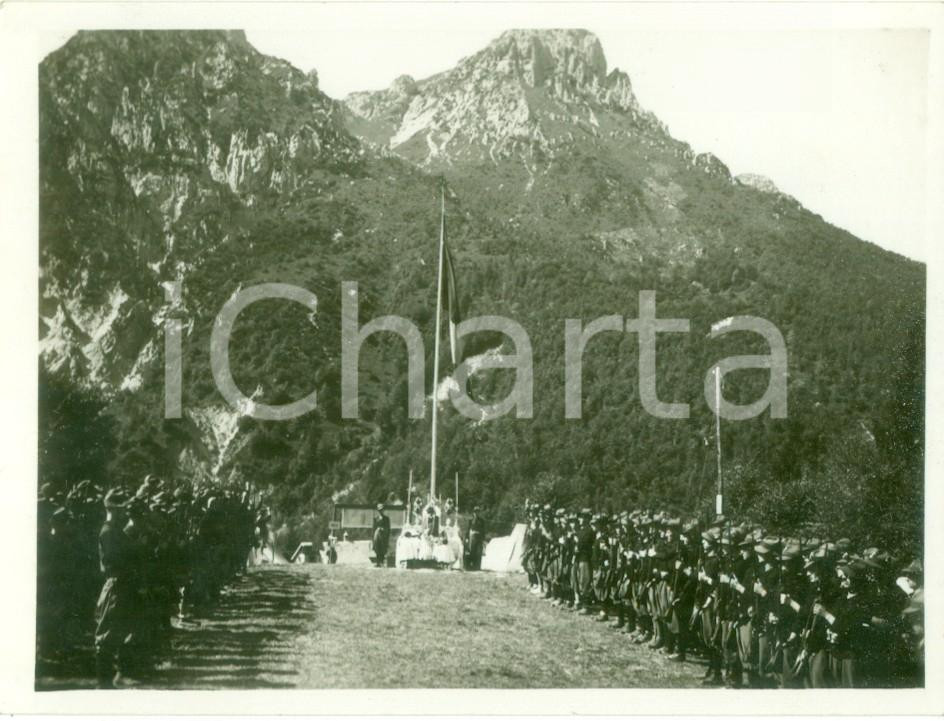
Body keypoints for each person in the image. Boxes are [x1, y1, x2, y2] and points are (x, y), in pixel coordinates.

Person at [94, 488, 138, 689]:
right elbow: (113, 562)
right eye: (122, 508)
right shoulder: (109, 532)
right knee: (107, 634)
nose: (125, 512)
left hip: (122, 584)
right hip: (116, 585)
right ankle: (103, 684)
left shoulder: (115, 530)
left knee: (118, 631)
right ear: (114, 509)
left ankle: (110, 680)